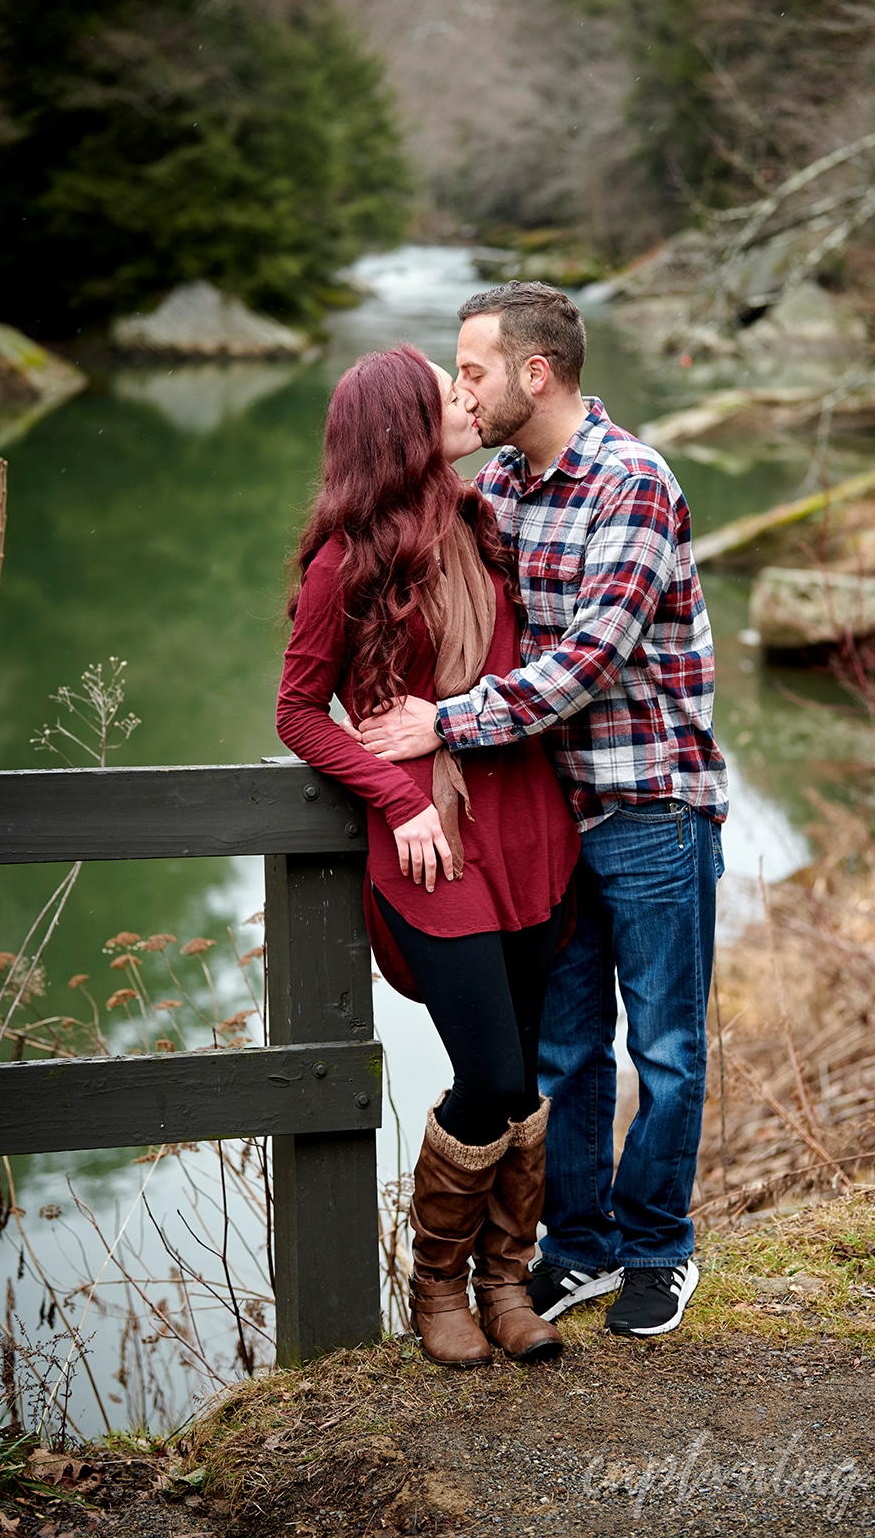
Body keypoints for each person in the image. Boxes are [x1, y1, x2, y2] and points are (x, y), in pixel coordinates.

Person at [357, 283, 728, 1339]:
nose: (461, 391)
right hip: (557, 829)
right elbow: (413, 534)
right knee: (566, 1056)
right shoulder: (506, 489)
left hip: (654, 809)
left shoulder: (634, 484)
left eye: (470, 371)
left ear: (535, 373)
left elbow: (583, 666)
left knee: (663, 1048)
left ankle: (658, 1245)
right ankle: (578, 1250)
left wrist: (444, 726)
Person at [276, 343, 580, 1369]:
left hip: (529, 828)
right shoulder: (345, 563)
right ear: (402, 431)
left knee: (526, 1075)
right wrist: (399, 799)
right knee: (490, 1071)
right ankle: (438, 1284)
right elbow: (298, 715)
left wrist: (450, 725)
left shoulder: (484, 525)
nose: (465, 395)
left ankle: (509, 1284)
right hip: (434, 851)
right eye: (442, 389)